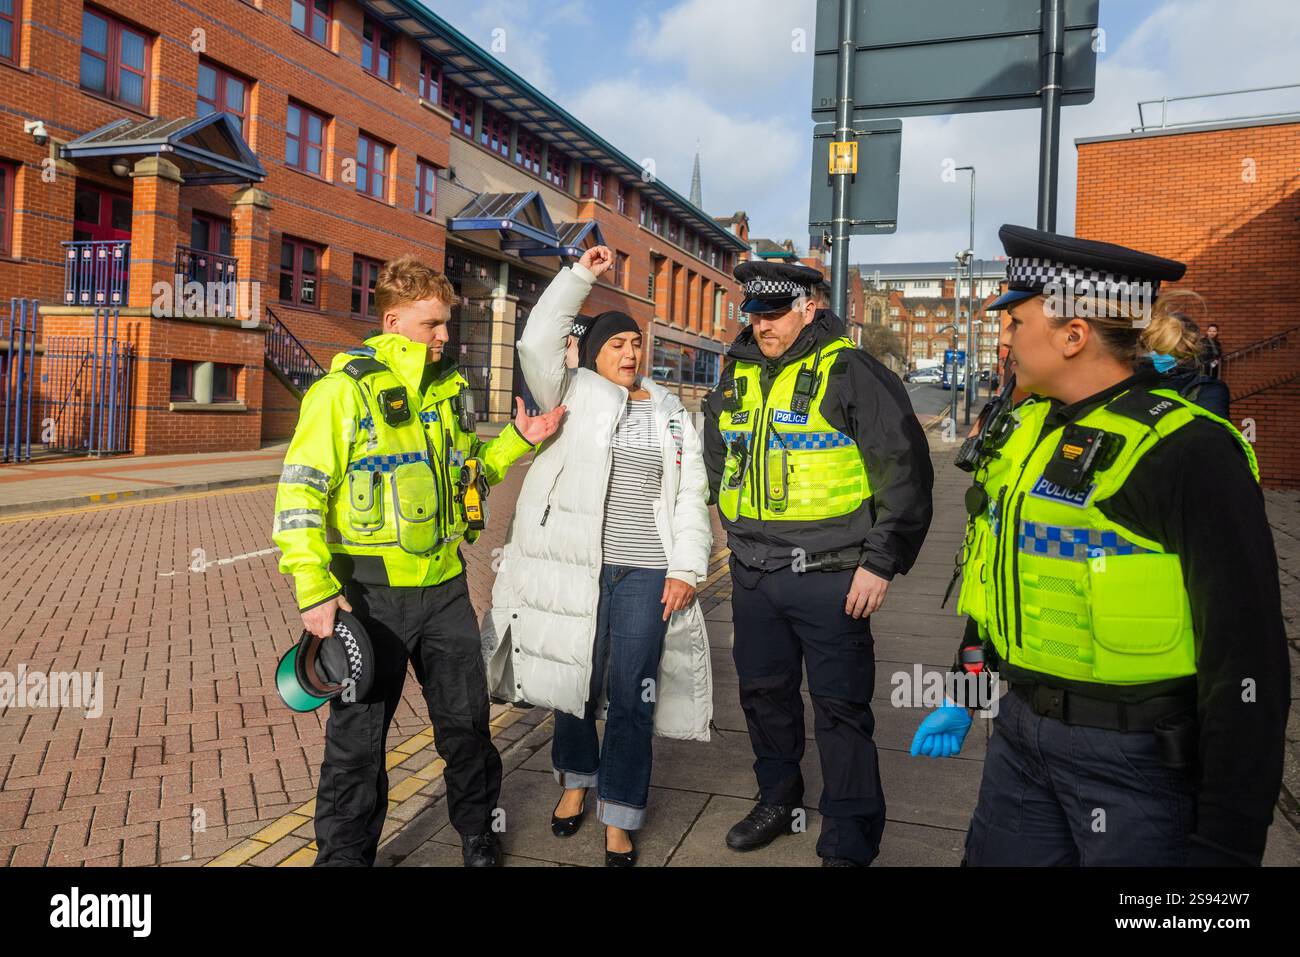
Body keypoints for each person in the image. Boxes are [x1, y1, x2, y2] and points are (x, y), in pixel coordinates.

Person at [913, 225, 1290, 866]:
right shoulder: (1026, 429)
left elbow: (1247, 660)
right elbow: (1004, 575)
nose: (1002, 338)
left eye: (1016, 319)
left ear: (1072, 334)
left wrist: (1227, 842)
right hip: (1021, 738)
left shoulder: (1188, 450)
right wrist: (967, 688)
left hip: (1137, 763)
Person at [272, 256, 564, 867]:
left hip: (445, 590)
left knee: (466, 727)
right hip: (368, 600)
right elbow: (299, 494)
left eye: (446, 324)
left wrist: (518, 439)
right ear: (393, 321)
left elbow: (469, 477)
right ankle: (345, 860)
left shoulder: (445, 395)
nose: (444, 337)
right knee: (357, 745)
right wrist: (314, 589)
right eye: (433, 324)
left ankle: (478, 833)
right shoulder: (339, 395)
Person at [481, 246, 713, 867]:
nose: (632, 355)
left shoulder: (668, 410)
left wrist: (686, 566)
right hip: (576, 567)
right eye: (618, 345)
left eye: (637, 345)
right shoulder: (572, 390)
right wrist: (581, 276)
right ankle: (576, 780)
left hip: (645, 570)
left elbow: (691, 492)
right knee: (573, 682)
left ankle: (620, 815)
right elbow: (536, 340)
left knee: (633, 691)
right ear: (591, 353)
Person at [702, 260, 934, 866]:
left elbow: (904, 472)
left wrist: (880, 563)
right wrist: (733, 523)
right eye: (753, 314)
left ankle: (849, 841)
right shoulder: (738, 373)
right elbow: (717, 453)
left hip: (832, 575)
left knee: (840, 710)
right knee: (763, 695)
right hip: (752, 573)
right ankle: (778, 800)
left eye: (774, 314)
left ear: (809, 307)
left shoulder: (849, 369)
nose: (761, 325)